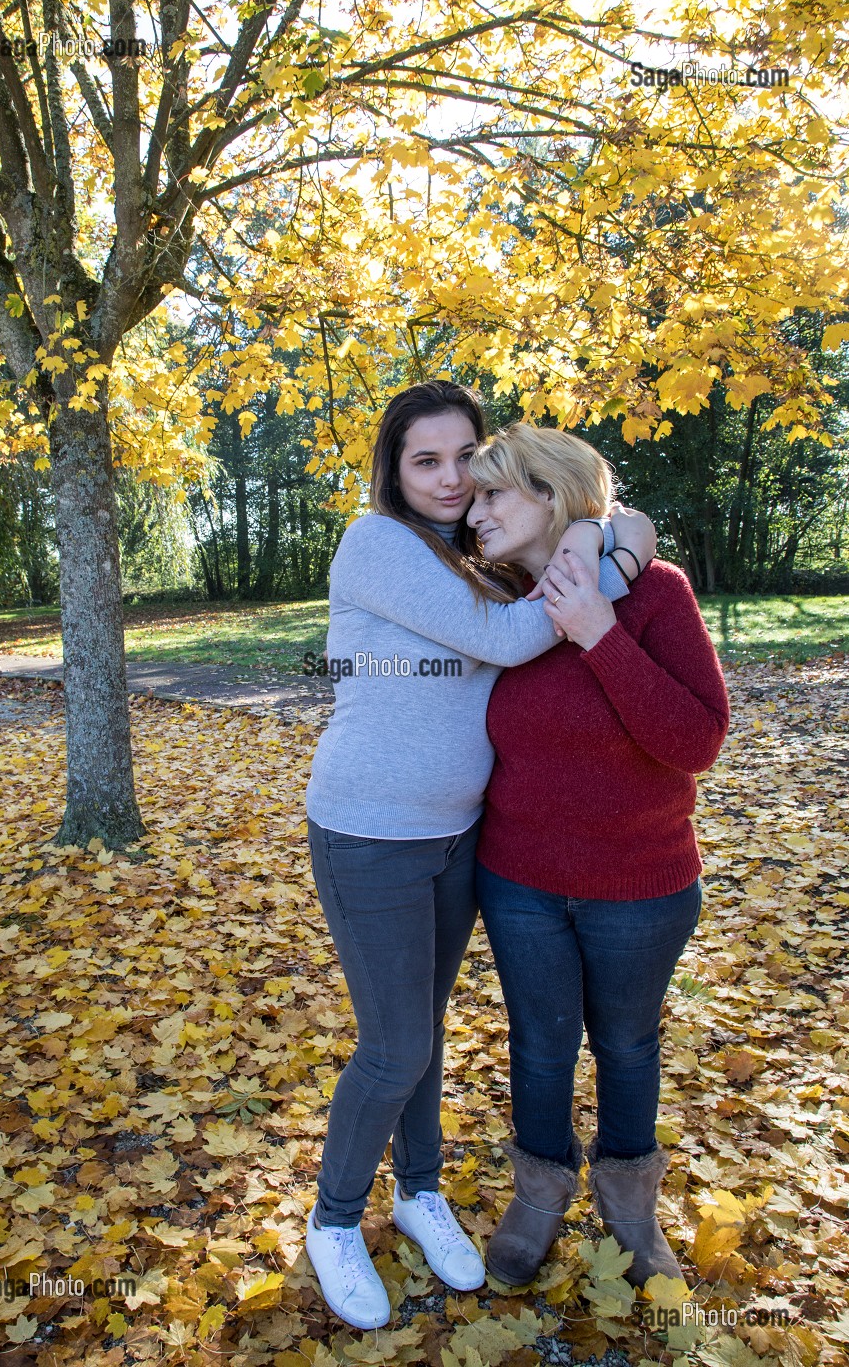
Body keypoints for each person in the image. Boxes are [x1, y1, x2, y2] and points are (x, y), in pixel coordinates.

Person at [303, 381, 656, 1330]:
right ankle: (333, 1220)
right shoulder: (374, 541)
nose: (452, 478)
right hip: (370, 832)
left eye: (466, 456)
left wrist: (605, 529)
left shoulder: (471, 551)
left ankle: (418, 1193)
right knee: (394, 1047)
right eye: (426, 461)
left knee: (422, 1032)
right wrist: (618, 552)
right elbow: (505, 638)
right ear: (393, 472)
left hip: (459, 833)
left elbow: (584, 528)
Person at [466, 422, 729, 1289]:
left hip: (640, 885)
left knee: (625, 1044)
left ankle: (627, 1202)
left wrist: (599, 633)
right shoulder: (495, 603)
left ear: (549, 495)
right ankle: (538, 1193)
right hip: (519, 882)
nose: (474, 512)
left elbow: (696, 740)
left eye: (493, 492)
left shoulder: (656, 593)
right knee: (539, 1048)